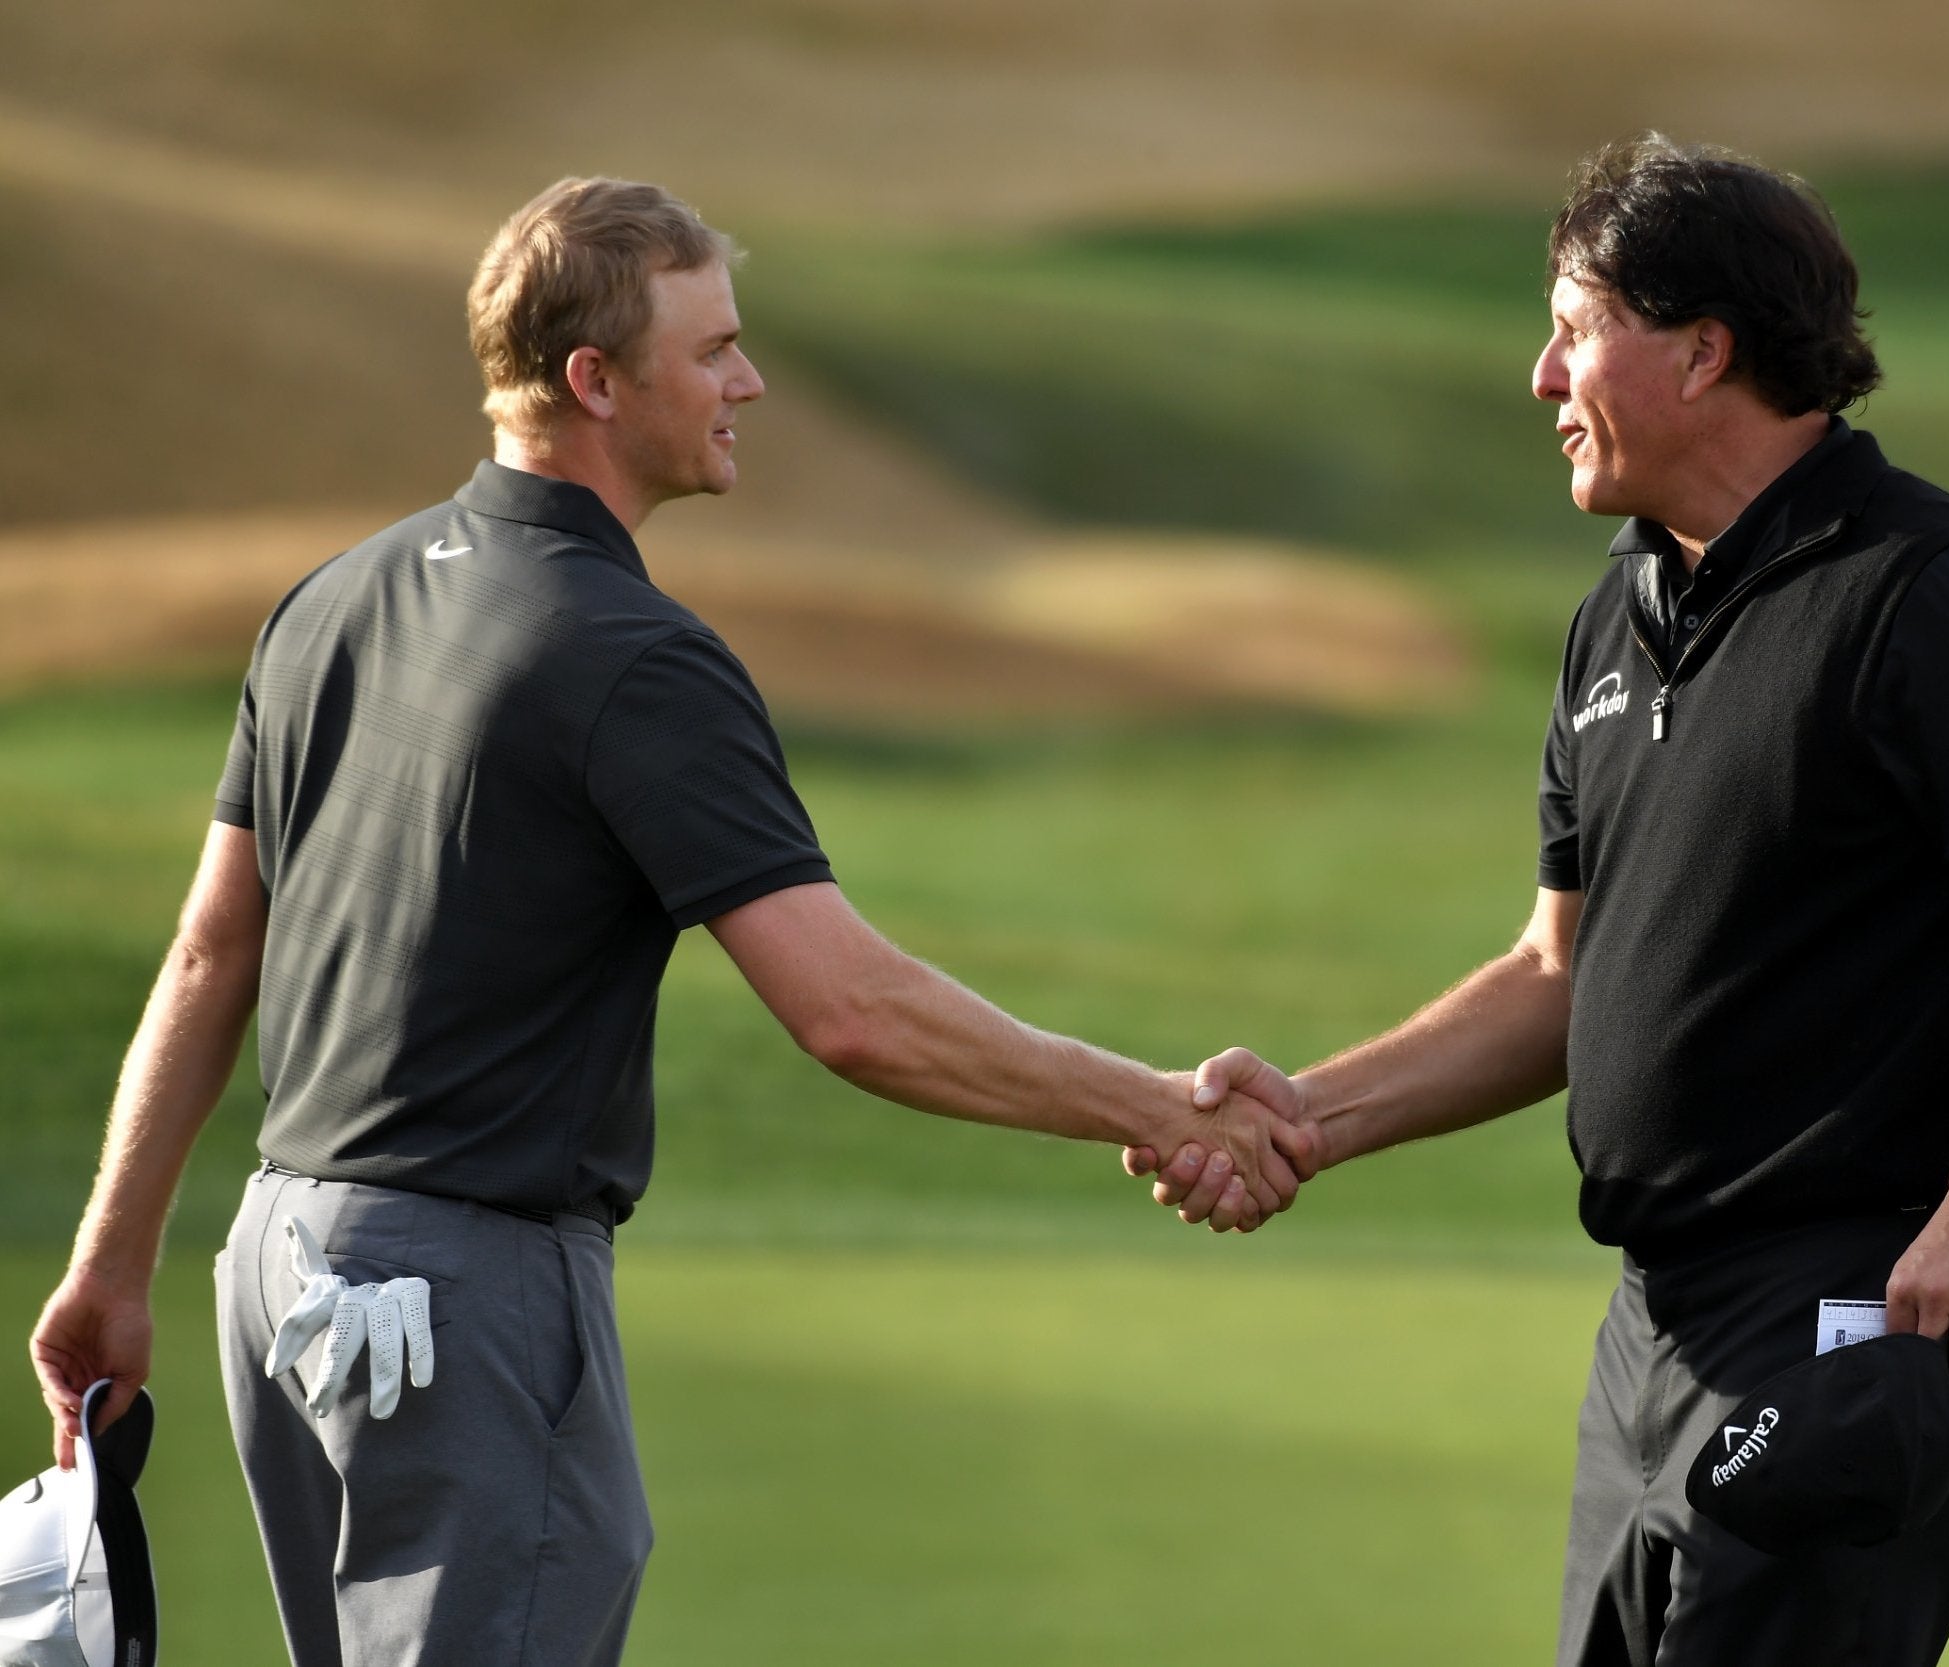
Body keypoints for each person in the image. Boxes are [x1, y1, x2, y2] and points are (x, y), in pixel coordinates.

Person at [27, 176, 1310, 1667]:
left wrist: (112, 1264)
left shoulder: (329, 601)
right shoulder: (633, 656)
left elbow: (207, 953)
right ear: (594, 381)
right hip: (453, 1310)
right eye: (711, 352)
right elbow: (851, 1012)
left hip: (277, 1271)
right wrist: (1158, 1108)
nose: (747, 381)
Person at [1128, 133, 1949, 1665]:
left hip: (1856, 1314)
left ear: (1700, 352)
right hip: (1656, 1330)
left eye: (1571, 328)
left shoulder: (1927, 593)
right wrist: (1313, 1116)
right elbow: (1559, 972)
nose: (1540, 377)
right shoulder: (1617, 616)